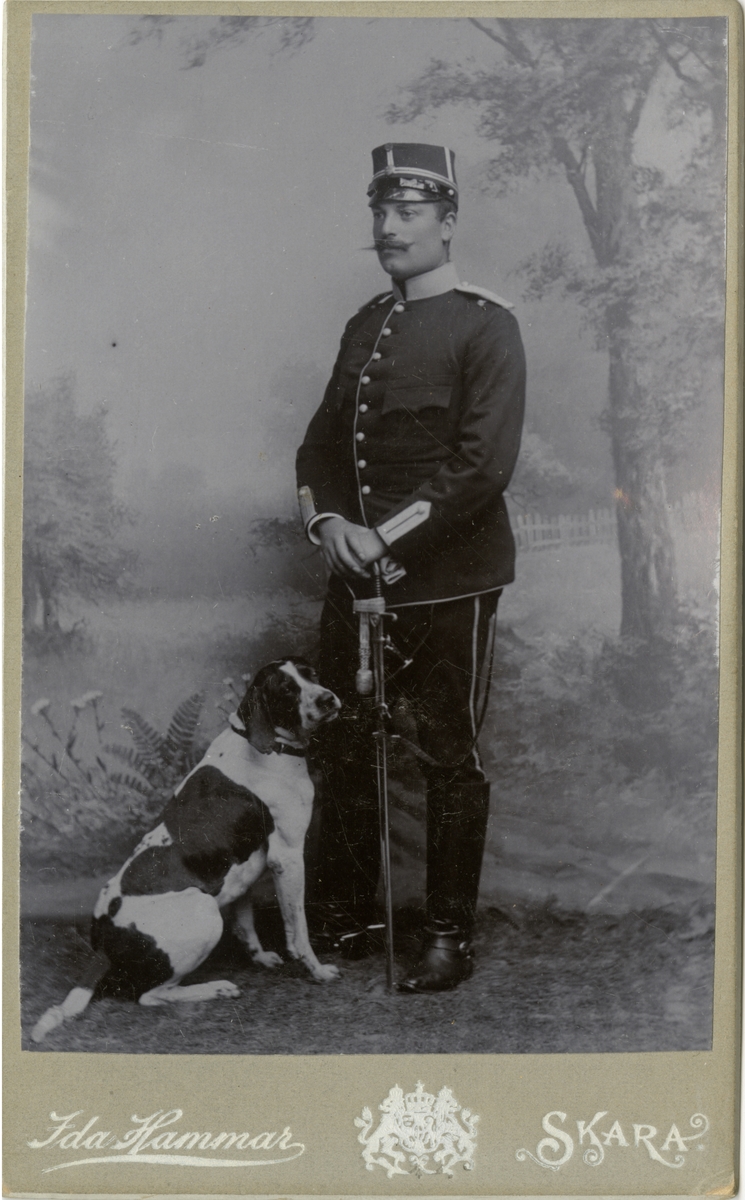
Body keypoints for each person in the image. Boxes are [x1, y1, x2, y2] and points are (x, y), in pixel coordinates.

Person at [295, 143, 525, 992]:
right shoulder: (365, 323)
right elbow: (321, 445)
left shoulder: (486, 325)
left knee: (445, 754)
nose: (388, 227)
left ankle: (446, 938)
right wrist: (327, 522)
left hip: (448, 580)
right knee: (347, 743)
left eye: (409, 212)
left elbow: (480, 467)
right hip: (353, 576)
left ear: (447, 222)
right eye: (379, 212)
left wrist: (382, 538)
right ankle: (351, 916)